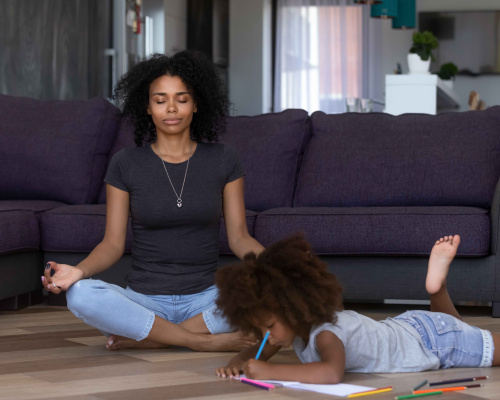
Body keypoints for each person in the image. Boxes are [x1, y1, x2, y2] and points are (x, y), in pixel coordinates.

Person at [41, 50, 264, 352]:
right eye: (160, 100)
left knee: (268, 288)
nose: (171, 108)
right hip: (142, 301)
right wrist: (78, 271)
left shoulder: (225, 159)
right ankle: (199, 342)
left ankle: (153, 338)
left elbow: (239, 238)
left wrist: (278, 266)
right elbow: (112, 244)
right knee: (81, 295)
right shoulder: (126, 163)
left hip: (207, 300)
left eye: (182, 99)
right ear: (147, 107)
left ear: (197, 104)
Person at [215, 234, 499, 384]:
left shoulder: (326, 334)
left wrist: (270, 372)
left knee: (479, 343)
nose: (267, 335)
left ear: (292, 309)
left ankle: (438, 290)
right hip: (412, 327)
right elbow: (264, 348)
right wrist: (238, 362)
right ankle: (437, 290)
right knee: (456, 327)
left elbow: (331, 373)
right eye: (260, 328)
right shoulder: (292, 328)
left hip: (433, 342)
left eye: (269, 325)